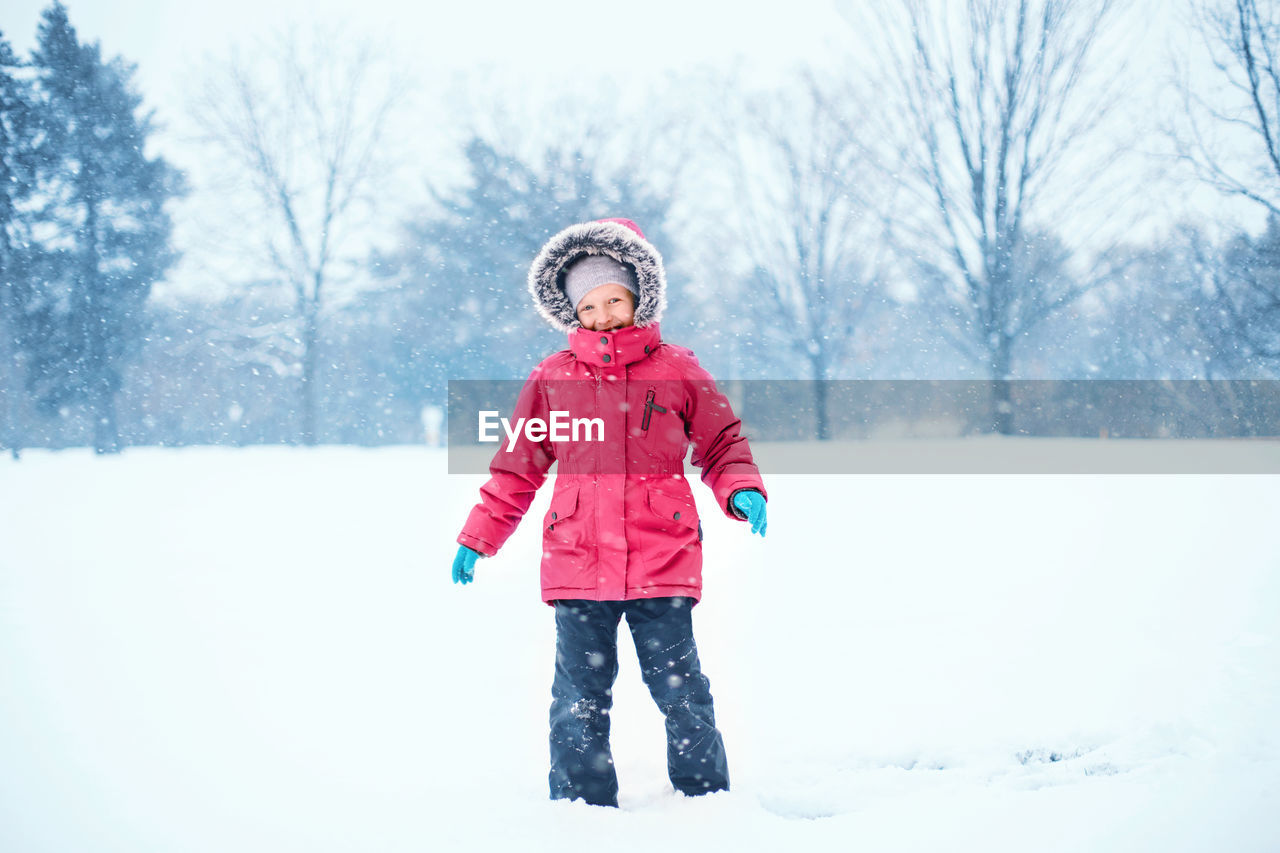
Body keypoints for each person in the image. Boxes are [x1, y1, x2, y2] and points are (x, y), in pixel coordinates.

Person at [451, 217, 768, 808]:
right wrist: (479, 536)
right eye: (589, 306)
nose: (603, 316)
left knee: (681, 690)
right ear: (571, 311)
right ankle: (580, 805)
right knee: (578, 693)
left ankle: (707, 801)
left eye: (614, 300)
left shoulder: (677, 370)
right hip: (578, 561)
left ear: (639, 295)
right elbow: (518, 465)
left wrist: (740, 489)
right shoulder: (552, 378)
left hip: (662, 558)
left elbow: (723, 441)